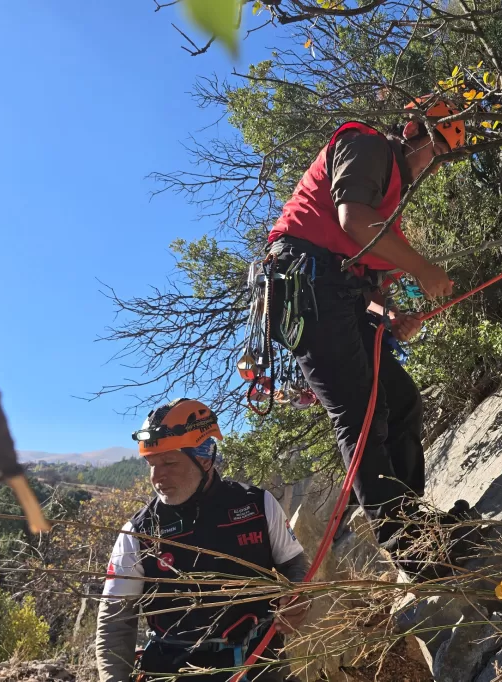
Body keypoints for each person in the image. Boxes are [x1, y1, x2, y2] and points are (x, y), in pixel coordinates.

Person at [264, 96, 472, 554]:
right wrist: (421, 267)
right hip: (306, 288)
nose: (433, 166)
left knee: (399, 402)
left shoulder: (389, 197)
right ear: (414, 131)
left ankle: (416, 526)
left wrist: (391, 316)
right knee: (359, 416)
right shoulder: (367, 145)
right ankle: (413, 550)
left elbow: (365, 285)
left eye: (443, 157)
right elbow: (351, 219)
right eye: (435, 150)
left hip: (332, 295)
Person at [96, 398, 309, 682]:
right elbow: (115, 621)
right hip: (175, 670)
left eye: (169, 462)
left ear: (205, 457)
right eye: (151, 464)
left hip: (258, 664)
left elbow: (294, 562)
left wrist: (297, 595)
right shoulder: (139, 532)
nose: (157, 476)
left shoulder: (258, 506)